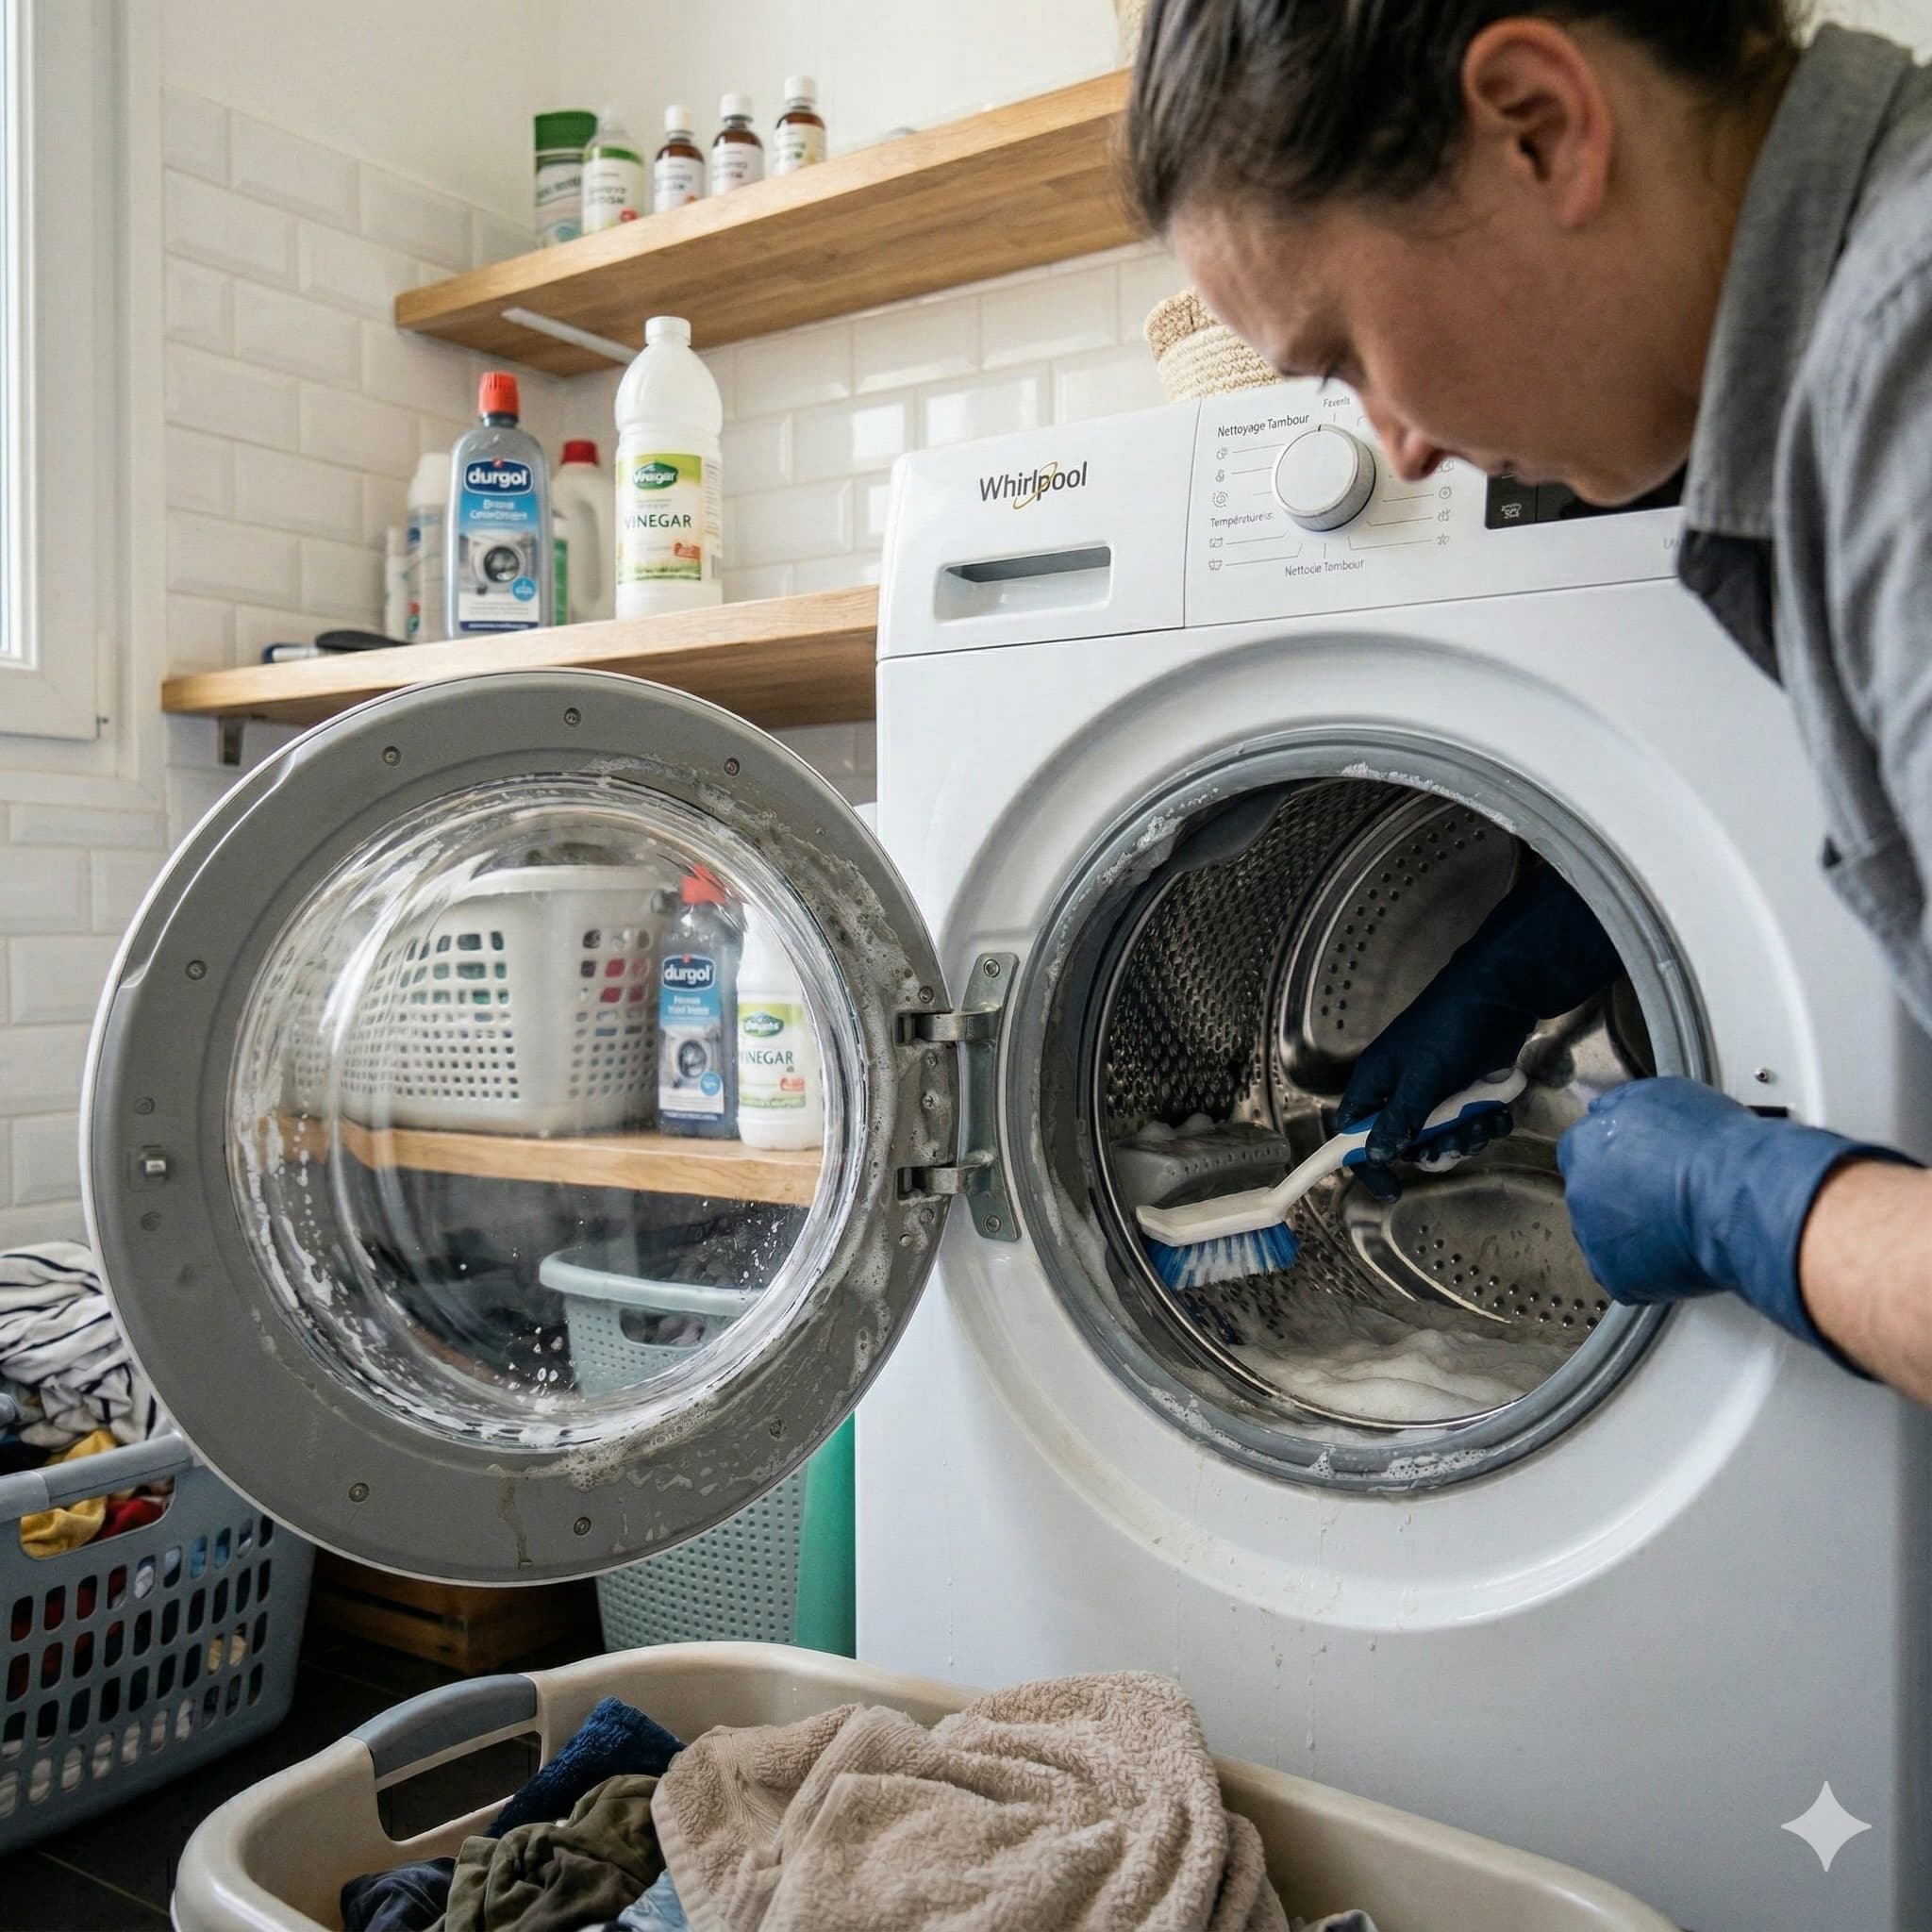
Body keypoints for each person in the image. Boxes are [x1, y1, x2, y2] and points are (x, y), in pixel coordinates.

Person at [1125, 1, 1932, 1402]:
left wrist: (1753, 1205)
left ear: (1539, 127)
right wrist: (1529, 957)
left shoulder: (1904, 378)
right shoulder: (1843, 375)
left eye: (1347, 355)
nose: (1407, 448)